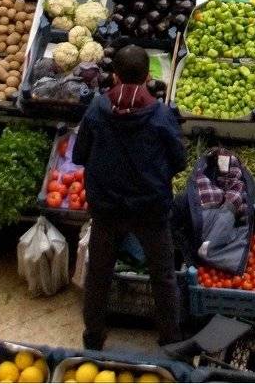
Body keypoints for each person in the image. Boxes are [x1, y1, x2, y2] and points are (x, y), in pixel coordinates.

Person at [73, 45, 185, 353]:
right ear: (149, 77)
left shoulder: (97, 109)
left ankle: (93, 338)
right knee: (162, 276)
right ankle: (170, 340)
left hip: (106, 207)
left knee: (99, 273)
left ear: (114, 76)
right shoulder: (160, 114)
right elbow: (179, 161)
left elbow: (80, 154)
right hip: (150, 208)